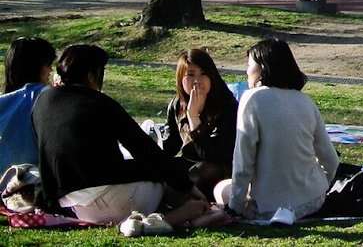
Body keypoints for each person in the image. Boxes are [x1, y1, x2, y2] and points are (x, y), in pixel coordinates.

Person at [32, 44, 221, 227]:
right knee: (162, 178)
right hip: (114, 199)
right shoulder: (100, 103)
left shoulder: (43, 102)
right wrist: (189, 187)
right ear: (91, 76)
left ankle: (178, 211)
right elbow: (145, 150)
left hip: (71, 205)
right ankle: (177, 216)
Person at [217, 39, 340, 222]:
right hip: (314, 199)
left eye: (249, 65)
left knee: (221, 188)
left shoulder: (252, 99)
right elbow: (331, 160)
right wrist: (321, 185)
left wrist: (234, 208)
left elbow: (244, 162)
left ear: (262, 68)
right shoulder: (306, 102)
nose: (246, 71)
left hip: (269, 207)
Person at [160, 49, 238, 200]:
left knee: (201, 171)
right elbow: (170, 146)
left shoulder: (227, 106)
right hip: (189, 163)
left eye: (203, 74)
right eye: (190, 75)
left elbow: (213, 155)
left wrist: (194, 117)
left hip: (220, 168)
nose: (197, 81)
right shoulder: (177, 105)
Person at [0, 36, 55, 169]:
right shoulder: (48, 98)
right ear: (34, 66)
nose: (51, 71)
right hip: (35, 182)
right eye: (48, 64)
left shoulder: (4, 102)